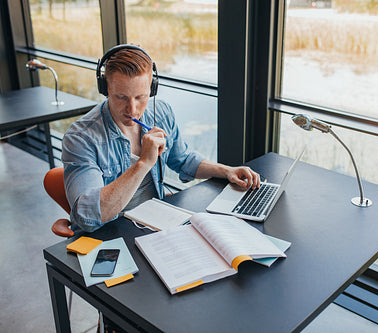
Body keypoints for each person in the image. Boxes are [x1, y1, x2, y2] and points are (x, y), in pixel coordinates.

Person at [62, 44, 260, 233]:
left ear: (152, 89)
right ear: (105, 89)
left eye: (141, 97)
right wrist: (143, 163)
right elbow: (87, 215)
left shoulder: (162, 112)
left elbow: (184, 160)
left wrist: (227, 171)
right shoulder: (81, 138)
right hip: (109, 234)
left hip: (154, 223)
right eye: (121, 97)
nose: (132, 109)